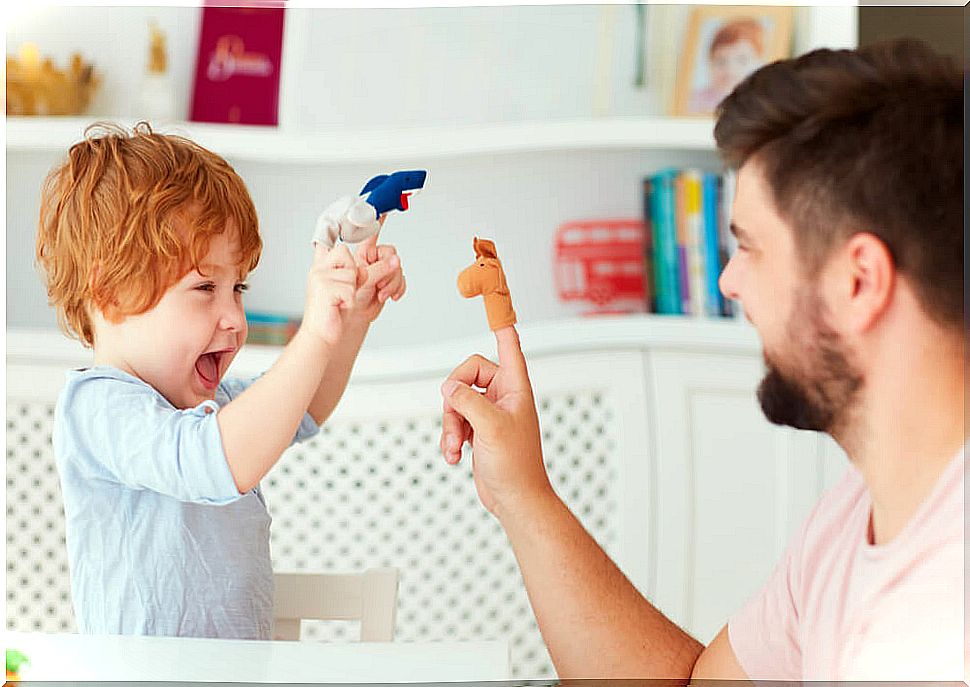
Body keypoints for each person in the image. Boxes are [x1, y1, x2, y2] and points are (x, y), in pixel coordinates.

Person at [439, 38, 965, 681]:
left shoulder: (941, 619)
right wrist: (523, 493)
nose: (728, 281)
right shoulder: (858, 512)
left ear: (858, 281)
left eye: (749, 246)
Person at [35, 122, 406, 638]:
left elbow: (305, 405)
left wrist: (349, 319)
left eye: (239, 288)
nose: (234, 317)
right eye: (205, 287)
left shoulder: (215, 406)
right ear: (111, 292)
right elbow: (209, 460)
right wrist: (315, 332)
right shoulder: (97, 408)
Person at [688, 18, 765, 114]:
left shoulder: (760, 102)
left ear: (760, 62)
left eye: (742, 60)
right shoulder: (696, 100)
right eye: (721, 61)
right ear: (710, 63)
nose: (730, 69)